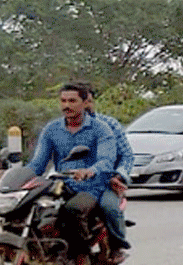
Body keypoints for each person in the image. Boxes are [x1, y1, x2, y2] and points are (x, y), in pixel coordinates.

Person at [26, 83, 118, 237]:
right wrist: (19, 175)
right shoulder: (52, 129)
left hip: (92, 187)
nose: (66, 105)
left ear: (84, 103)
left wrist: (89, 171)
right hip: (61, 185)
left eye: (72, 101)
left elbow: (106, 161)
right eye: (63, 101)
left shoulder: (101, 129)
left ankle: (79, 256)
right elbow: (38, 163)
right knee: (34, 210)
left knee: (74, 210)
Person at [77, 82, 133, 264]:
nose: (87, 106)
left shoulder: (110, 125)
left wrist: (119, 176)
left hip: (106, 182)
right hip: (75, 182)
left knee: (109, 206)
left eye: (89, 101)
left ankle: (117, 246)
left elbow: (127, 156)